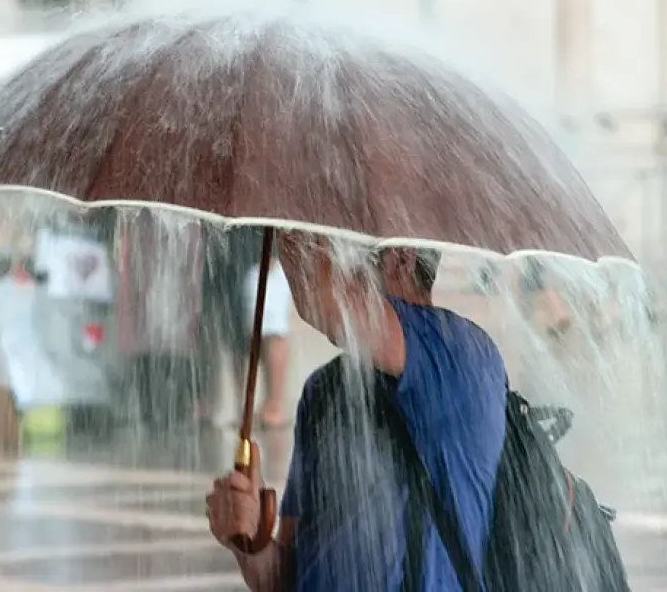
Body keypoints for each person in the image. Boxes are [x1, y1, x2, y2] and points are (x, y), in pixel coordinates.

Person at [206, 235, 509, 591]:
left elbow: (322, 299)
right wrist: (252, 542)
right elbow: (286, 579)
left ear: (402, 257)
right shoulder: (325, 389)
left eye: (347, 249)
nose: (338, 262)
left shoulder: (462, 353)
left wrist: (284, 216)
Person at [198, 226, 292, 428]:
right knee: (234, 331)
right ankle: (244, 407)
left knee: (271, 328)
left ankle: (273, 405)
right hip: (226, 254)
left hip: (264, 249)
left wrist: (276, 249)